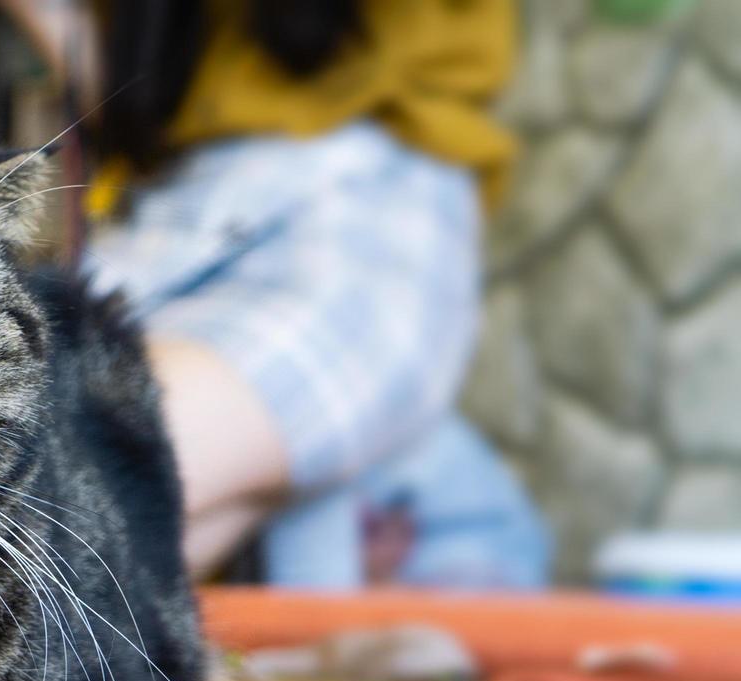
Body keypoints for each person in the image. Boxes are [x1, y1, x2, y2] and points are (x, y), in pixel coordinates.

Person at [76, 0, 549, 588]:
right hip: (162, 220)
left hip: (358, 204)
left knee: (54, 493)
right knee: (56, 560)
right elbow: (125, 95)